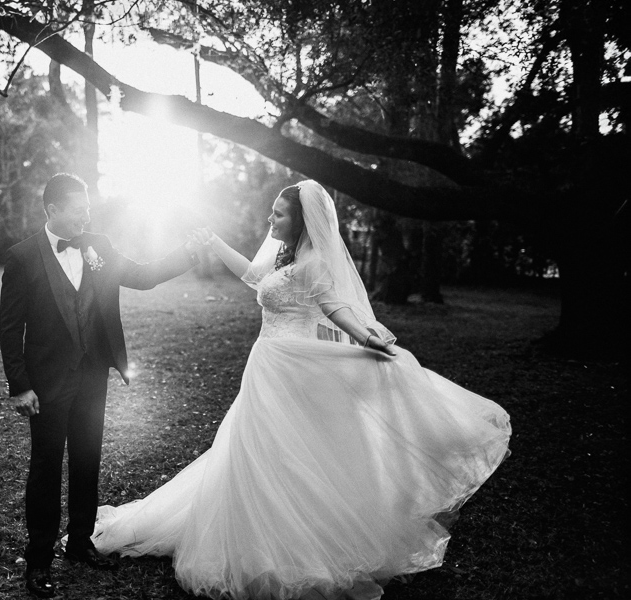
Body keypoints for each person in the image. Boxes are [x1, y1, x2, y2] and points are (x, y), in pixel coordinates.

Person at [91, 180, 512, 600]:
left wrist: (366, 338)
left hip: (290, 369)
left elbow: (335, 306)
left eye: (279, 214)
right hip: (266, 367)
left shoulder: (313, 263)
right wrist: (215, 241)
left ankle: (296, 546)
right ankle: (257, 533)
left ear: (302, 220)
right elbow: (253, 277)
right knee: (255, 451)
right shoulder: (282, 257)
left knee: (289, 454)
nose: (270, 219)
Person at [0, 173, 200, 598]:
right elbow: (10, 327)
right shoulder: (21, 258)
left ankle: (79, 543)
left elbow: (142, 276)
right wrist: (19, 384)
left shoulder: (99, 247)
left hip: (94, 375)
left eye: (88, 209)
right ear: (52, 210)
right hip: (47, 382)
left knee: (87, 461)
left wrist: (188, 254)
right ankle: (38, 561)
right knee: (46, 469)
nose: (85, 217)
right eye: (77, 210)